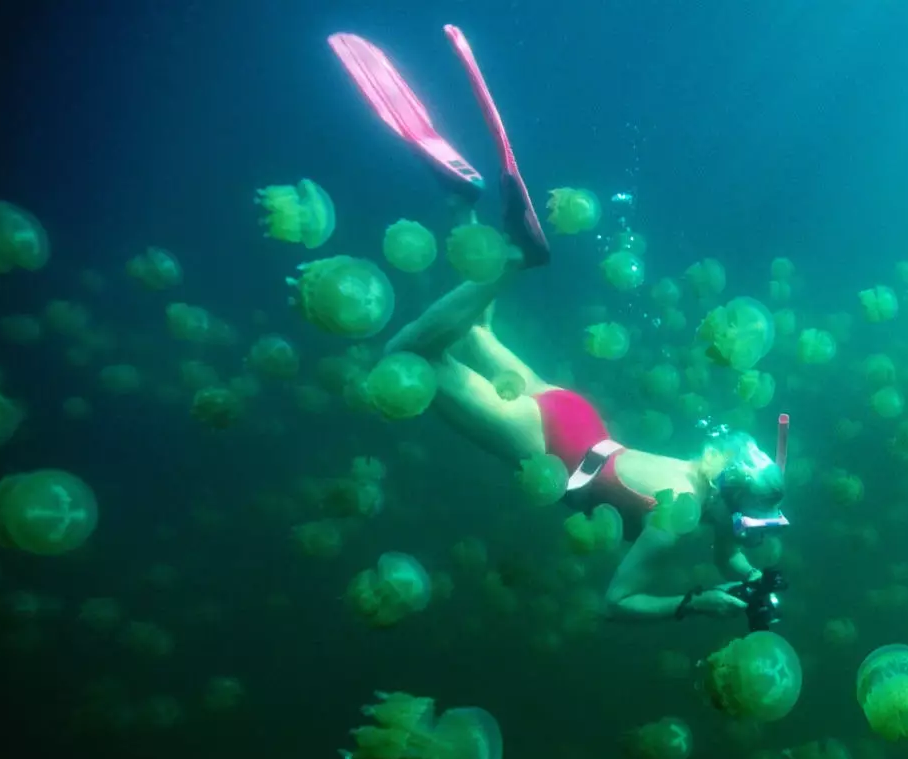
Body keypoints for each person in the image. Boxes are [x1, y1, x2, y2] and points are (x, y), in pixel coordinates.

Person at [331, 25, 789, 622]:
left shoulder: (702, 496)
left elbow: (731, 551)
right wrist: (697, 604)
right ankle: (517, 260)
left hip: (578, 423)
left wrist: (757, 581)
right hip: (546, 448)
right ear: (733, 501)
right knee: (407, 360)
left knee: (475, 332)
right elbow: (616, 602)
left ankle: (463, 208)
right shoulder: (677, 518)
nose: (749, 533)